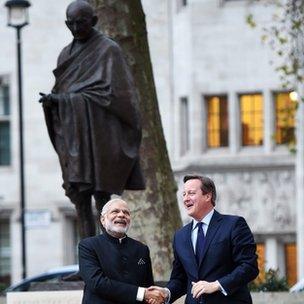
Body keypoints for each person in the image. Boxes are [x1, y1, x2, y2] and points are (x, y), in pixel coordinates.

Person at [39, 0, 145, 237]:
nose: (76, 28)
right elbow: (64, 90)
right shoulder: (65, 54)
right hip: (74, 136)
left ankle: (105, 258)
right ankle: (86, 261)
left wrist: (69, 100)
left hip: (100, 137)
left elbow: (118, 95)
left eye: (81, 23)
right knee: (80, 199)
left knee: (102, 198)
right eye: (71, 24)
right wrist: (54, 101)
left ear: (94, 21)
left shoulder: (109, 50)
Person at [149, 174, 259, 304]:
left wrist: (216, 285)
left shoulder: (234, 225)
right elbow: (180, 279)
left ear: (208, 196)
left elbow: (249, 266)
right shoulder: (180, 236)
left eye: (191, 193)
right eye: (183, 194)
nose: (185, 199)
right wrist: (166, 293)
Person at [79, 198, 166, 304]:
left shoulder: (141, 249)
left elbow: (147, 286)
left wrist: (153, 298)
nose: (121, 215)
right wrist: (142, 294)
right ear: (103, 220)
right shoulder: (88, 246)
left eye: (126, 212)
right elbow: (97, 283)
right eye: (115, 211)